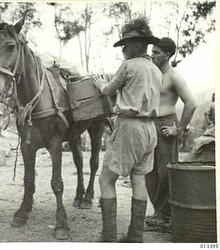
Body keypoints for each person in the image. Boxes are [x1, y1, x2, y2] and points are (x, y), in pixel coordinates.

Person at [93, 17, 162, 242]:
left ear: (135, 45)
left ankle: (109, 237)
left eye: (125, 44)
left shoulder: (129, 65)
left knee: (106, 179)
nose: (123, 48)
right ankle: (136, 236)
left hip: (130, 127)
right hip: (150, 129)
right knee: (139, 179)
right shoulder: (155, 70)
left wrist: (99, 83)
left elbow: (108, 90)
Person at [145, 37, 196, 227]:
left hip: (166, 126)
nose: (152, 55)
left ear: (167, 55)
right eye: (152, 51)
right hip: (149, 125)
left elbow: (191, 103)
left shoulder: (174, 76)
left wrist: (179, 129)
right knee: (148, 171)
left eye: (156, 53)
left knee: (165, 173)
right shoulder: (152, 74)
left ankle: (165, 215)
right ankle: (159, 213)